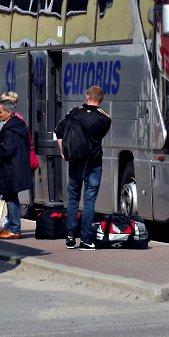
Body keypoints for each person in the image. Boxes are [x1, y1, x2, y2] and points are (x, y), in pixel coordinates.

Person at [55, 86, 112, 251]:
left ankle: (70, 237)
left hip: (75, 161)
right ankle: (86, 239)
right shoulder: (105, 118)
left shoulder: (74, 112)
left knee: (73, 199)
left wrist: (63, 152)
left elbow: (59, 131)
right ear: (102, 99)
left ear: (87, 96)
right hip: (93, 163)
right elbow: (98, 137)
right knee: (89, 202)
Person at [0, 99, 33, 240]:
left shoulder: (10, 130)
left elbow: (8, 150)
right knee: (11, 197)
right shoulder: (17, 126)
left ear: (9, 112)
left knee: (10, 198)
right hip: (16, 167)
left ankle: (13, 227)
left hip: (10, 169)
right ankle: (12, 226)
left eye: (0, 112)